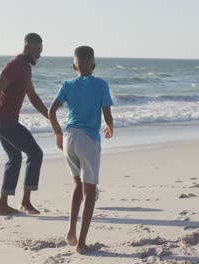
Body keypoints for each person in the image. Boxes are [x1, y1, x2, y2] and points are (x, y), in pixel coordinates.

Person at [48, 46, 114, 254]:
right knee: (90, 190)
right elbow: (107, 114)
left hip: (69, 138)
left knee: (77, 186)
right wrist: (109, 127)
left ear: (73, 66)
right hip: (88, 140)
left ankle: (71, 231)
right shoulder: (101, 84)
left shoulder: (67, 84)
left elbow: (51, 111)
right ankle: (82, 242)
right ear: (93, 65)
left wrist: (57, 132)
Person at [0, 33, 49, 215]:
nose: (38, 55)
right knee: (35, 153)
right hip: (4, 120)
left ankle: (3, 205)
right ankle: (25, 202)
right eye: (36, 51)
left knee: (15, 158)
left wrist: (50, 116)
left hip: (6, 120)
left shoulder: (26, 68)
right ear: (27, 46)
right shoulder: (14, 65)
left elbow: (33, 97)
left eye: (40, 51)